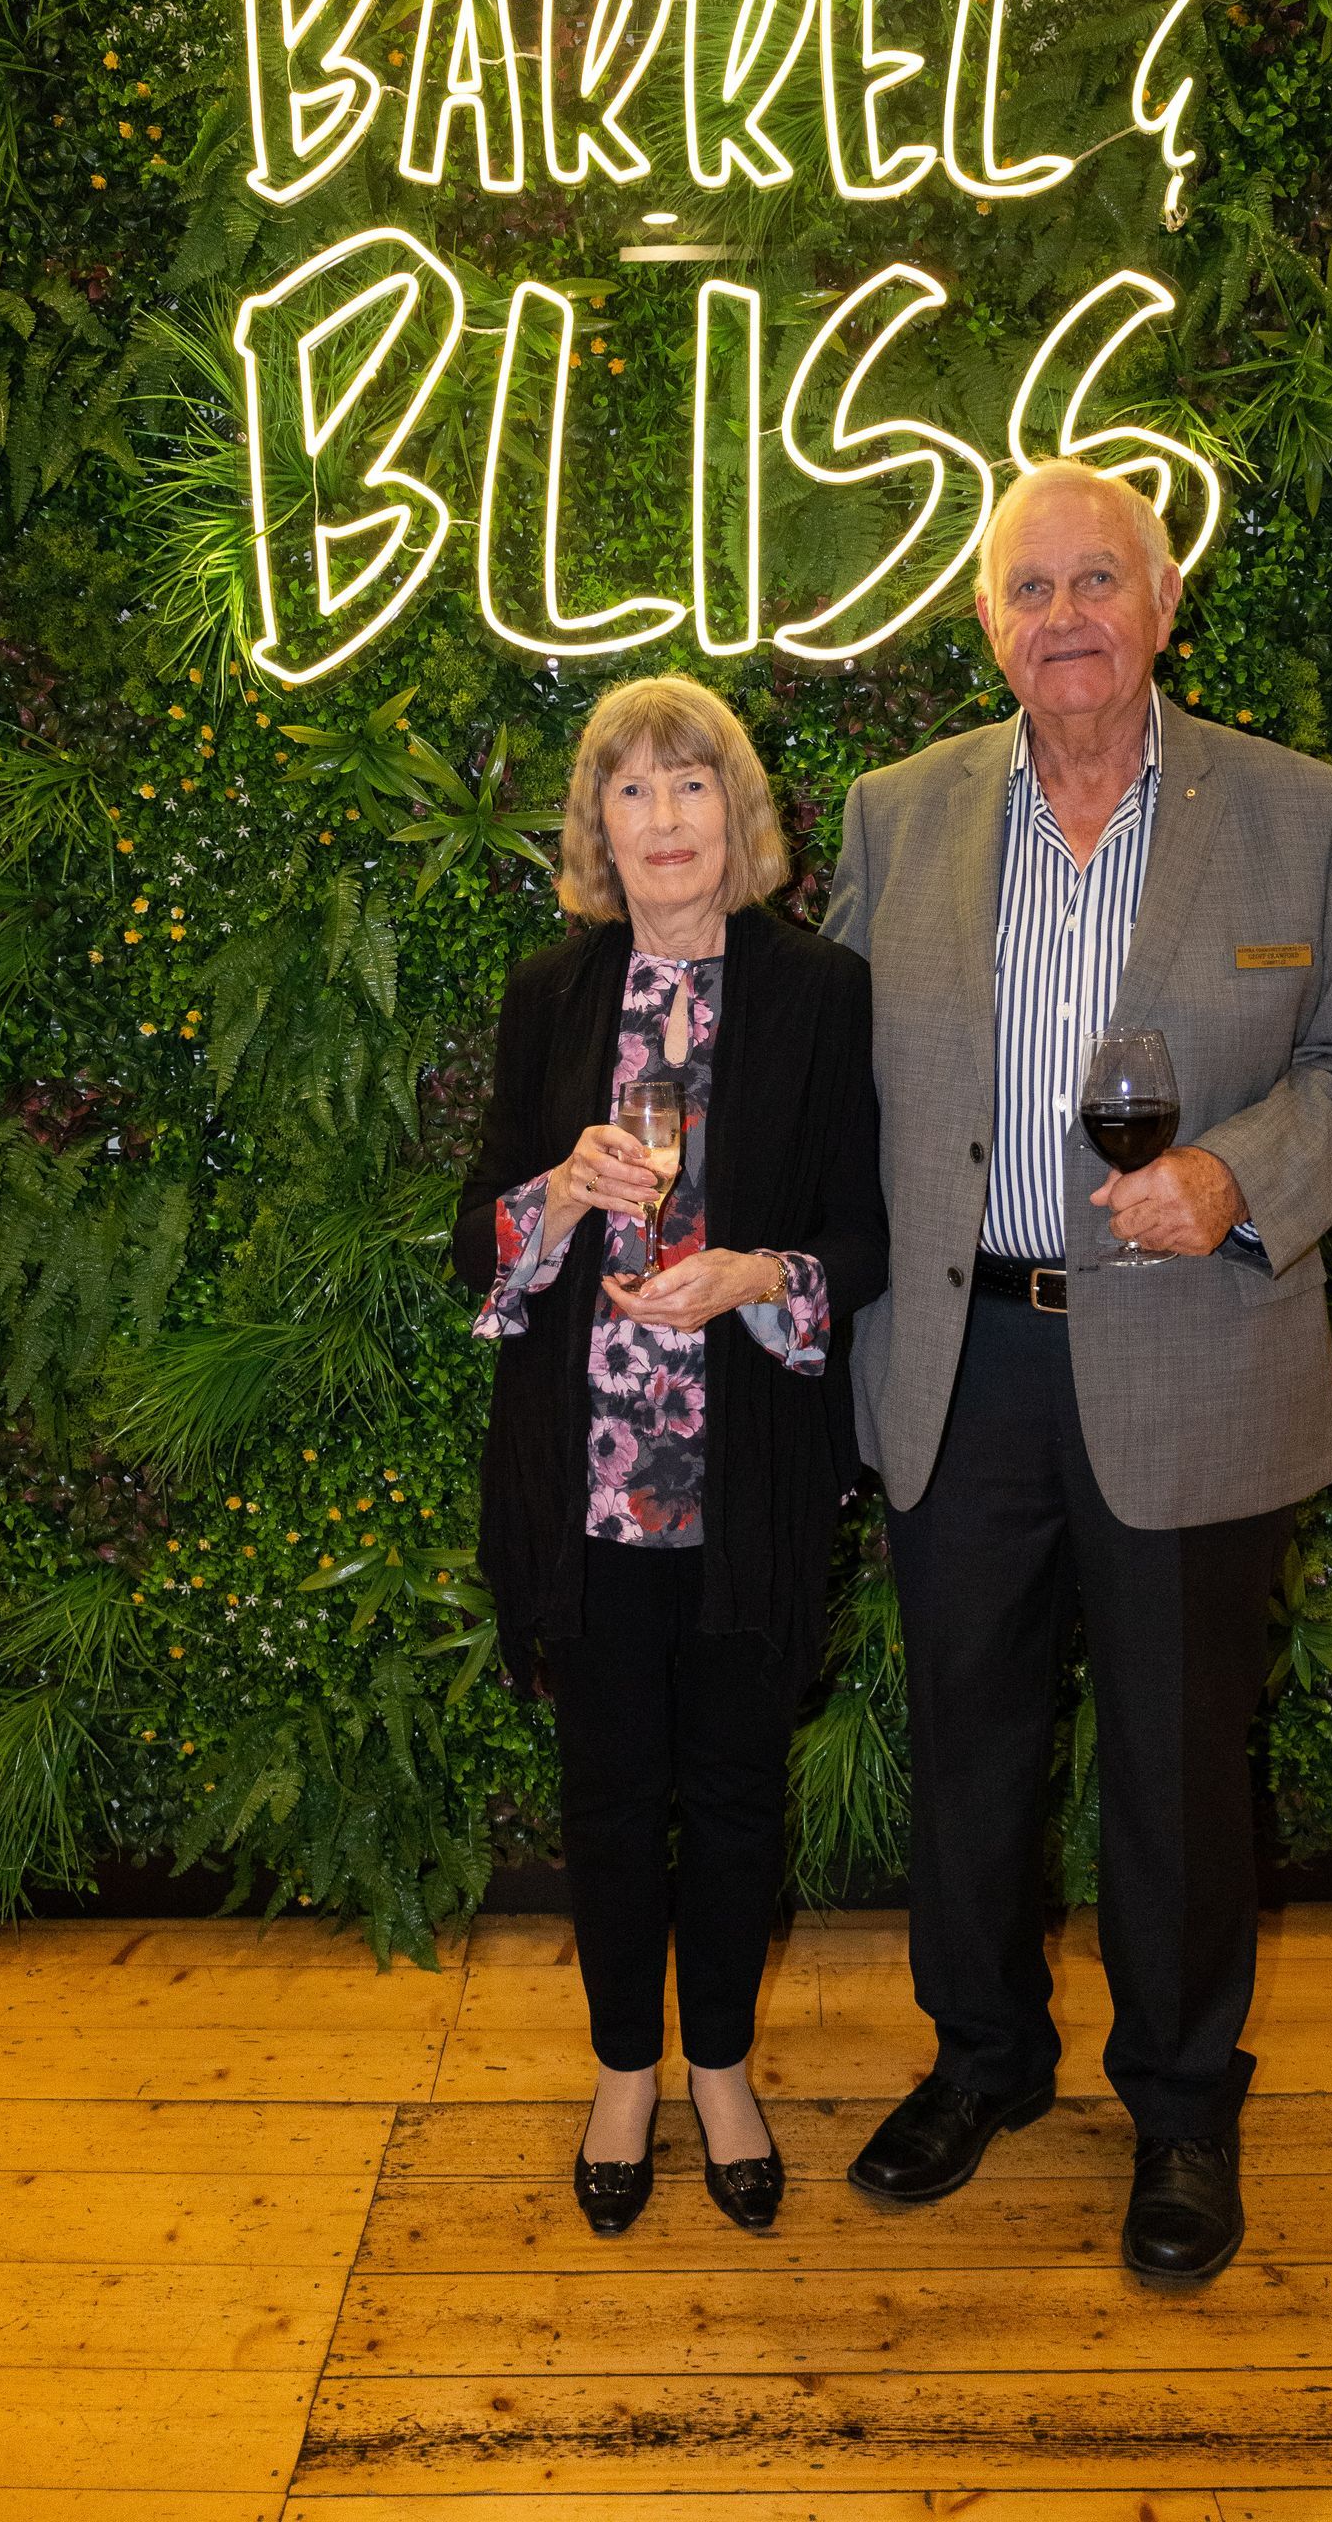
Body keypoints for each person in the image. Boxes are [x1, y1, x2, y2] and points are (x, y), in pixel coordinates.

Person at [825, 459, 1332, 2283]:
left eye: (1100, 580)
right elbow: (818, 1071)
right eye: (1031, 587)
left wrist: (1234, 1177)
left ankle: (1179, 2110)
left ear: (1165, 606)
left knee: (1176, 1763)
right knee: (970, 1747)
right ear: (985, 623)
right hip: (958, 1356)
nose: (1065, 615)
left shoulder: (1297, 812)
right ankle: (984, 2063)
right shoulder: (898, 816)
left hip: (1194, 1356)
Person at [453, 673, 885, 2239]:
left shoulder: (821, 993)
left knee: (740, 1792)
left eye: (689, 783)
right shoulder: (551, 995)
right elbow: (478, 1239)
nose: (662, 818)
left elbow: (868, 1231)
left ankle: (722, 2070)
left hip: (745, 1470)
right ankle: (624, 2073)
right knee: (611, 1793)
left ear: (737, 809)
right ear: (597, 827)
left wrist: (757, 1275)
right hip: (588, 1479)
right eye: (628, 789)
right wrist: (559, 1198)